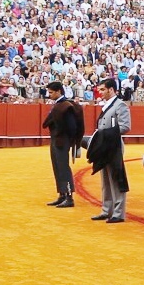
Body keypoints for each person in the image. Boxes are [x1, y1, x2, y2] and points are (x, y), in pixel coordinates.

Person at [91, 78, 130, 223]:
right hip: (104, 146)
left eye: (102, 90)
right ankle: (107, 210)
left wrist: (106, 134)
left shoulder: (120, 105)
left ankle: (118, 213)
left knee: (115, 178)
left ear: (111, 89)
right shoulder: (107, 105)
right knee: (105, 180)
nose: (99, 92)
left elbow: (125, 126)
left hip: (114, 146)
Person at [42, 80, 82, 209]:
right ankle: (62, 194)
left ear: (59, 91)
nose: (49, 95)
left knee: (63, 168)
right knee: (57, 167)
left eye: (51, 92)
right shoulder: (60, 105)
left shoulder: (66, 106)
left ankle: (69, 197)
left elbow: (72, 127)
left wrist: (68, 140)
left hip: (62, 140)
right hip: (57, 139)